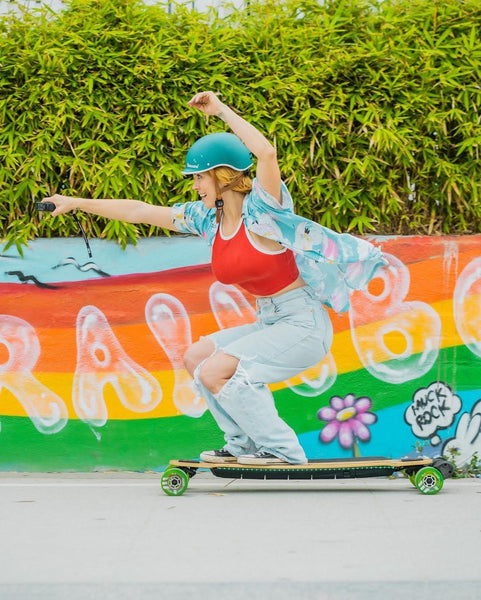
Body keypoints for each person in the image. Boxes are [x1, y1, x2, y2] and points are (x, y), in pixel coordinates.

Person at [44, 90, 385, 465]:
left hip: (303, 323)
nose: (194, 186)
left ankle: (283, 451)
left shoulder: (265, 210)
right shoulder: (207, 219)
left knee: (221, 370)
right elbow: (139, 211)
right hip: (271, 319)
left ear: (221, 176)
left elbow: (267, 153)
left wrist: (220, 110)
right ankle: (242, 444)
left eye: (199, 178)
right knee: (197, 358)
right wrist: (77, 203)